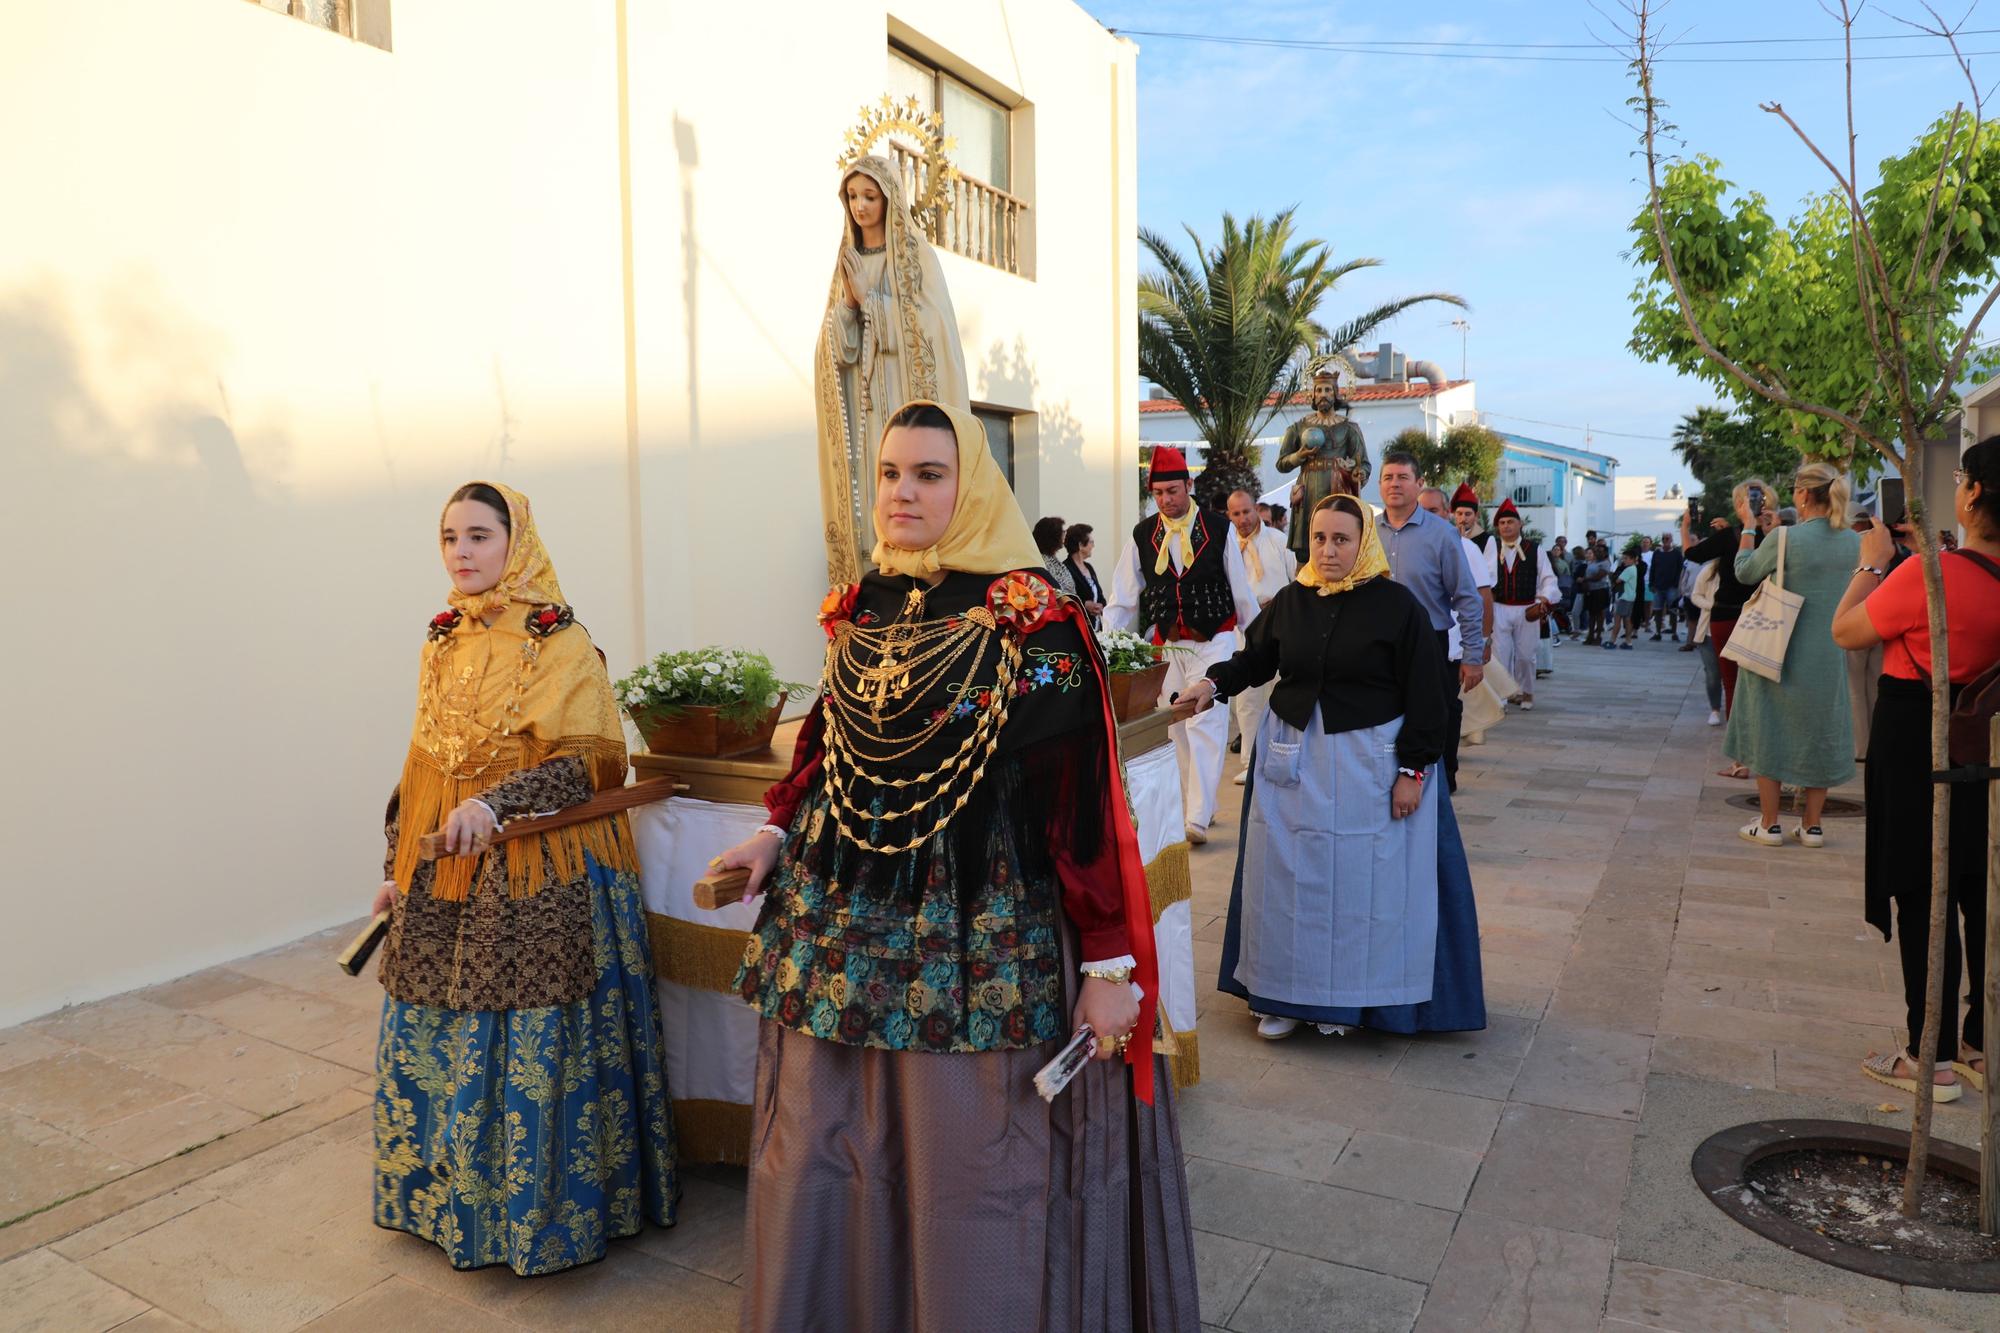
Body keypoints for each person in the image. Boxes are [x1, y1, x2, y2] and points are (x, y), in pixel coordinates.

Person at [715, 401, 1198, 1330]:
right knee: (830, 1132)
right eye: (891, 472)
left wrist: (1106, 962)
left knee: (963, 1151)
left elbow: (1080, 792)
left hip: (977, 927)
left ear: (967, 484)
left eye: (928, 474)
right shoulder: (868, 599)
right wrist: (776, 834)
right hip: (841, 926)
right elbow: (828, 737)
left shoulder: (1036, 619)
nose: (903, 492)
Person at [370, 481, 678, 1275]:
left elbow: (588, 763)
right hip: (450, 868)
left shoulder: (559, 641)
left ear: (517, 541)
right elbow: (421, 768)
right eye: (449, 538)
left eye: (478, 536)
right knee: (435, 1020)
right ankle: (444, 1202)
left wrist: (497, 802)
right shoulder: (441, 638)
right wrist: (396, 869)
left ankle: (541, 1219)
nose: (462, 553)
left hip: (541, 870)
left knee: (533, 1029)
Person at [1179, 495, 1484, 1040]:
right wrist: (1213, 683)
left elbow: (1428, 695)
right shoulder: (1293, 600)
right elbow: (1255, 658)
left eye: (1341, 539)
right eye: (1319, 538)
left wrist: (1413, 772)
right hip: (1292, 764)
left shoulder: (1398, 607)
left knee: (1361, 887)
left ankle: (1351, 1004)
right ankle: (1283, 996)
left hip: (1371, 764)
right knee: (1290, 880)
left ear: (1363, 541)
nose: (1328, 550)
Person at [1835, 439, 2000, 1102]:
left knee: (1924, 893)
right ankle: (1979, 1043)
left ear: (1974, 495)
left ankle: (1926, 1054)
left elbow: (1847, 631)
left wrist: (1875, 565)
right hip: (1983, 744)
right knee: (1979, 893)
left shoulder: (1931, 574)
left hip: (1917, 739)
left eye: (1960, 478)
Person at [814, 156, 969, 582]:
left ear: (889, 200)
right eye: (852, 196)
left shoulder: (917, 257)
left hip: (907, 400)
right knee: (873, 489)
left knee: (908, 474)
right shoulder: (847, 261)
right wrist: (848, 306)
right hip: (865, 411)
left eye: (870, 196)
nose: (860, 206)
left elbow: (934, 330)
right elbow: (836, 353)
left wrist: (872, 303)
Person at [1105, 446, 1261, 845]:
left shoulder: (1219, 528)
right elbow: (1124, 598)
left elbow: (1241, 592)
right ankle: (1194, 807)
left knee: (1205, 723)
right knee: (1176, 729)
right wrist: (1107, 644)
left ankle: (1196, 818)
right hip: (1169, 645)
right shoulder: (1142, 535)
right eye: (1158, 493)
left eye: (1172, 490)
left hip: (1215, 640)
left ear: (1188, 485)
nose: (1165, 500)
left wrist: (1257, 641)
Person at [1724, 462, 1861, 846]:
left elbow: (1745, 572)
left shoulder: (1785, 539)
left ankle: (1769, 823)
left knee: (1769, 728)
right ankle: (1812, 824)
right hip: (1828, 651)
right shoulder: (1854, 541)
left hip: (1778, 648)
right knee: (1820, 730)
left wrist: (1750, 528)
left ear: (1802, 494)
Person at [1377, 454, 1484, 786]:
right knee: (1383, 719)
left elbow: (1467, 597)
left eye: (1403, 477)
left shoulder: (1441, 534)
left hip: (1429, 644)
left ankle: (1437, 787)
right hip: (1377, 644)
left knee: (1429, 721)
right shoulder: (1367, 533)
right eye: (1388, 477)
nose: (1395, 483)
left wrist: (1473, 655)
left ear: (1419, 484)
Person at [1683, 485, 1776, 749]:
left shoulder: (1730, 538)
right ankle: (1763, 744)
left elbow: (1692, 554)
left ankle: (1740, 753)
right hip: (1765, 616)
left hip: (1727, 614)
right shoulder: (1780, 535)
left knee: (1732, 683)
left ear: (1740, 506)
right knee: (1763, 683)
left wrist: (1687, 526)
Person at [1225, 488, 1300, 784]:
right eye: (1236, 514)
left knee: (1281, 693)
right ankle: (1249, 762)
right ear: (1229, 516)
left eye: (1246, 511)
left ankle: (1284, 759)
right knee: (1246, 700)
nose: (1243, 519)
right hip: (1243, 629)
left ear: (1256, 508)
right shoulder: (1228, 547)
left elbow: (1297, 581)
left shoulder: (1279, 541)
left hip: (1279, 625)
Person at [1275, 368, 1370, 566]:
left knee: (1338, 535)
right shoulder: (1298, 427)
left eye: (1328, 390)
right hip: (1307, 491)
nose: (1323, 395)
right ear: (1312, 394)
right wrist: (1299, 456)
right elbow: (1281, 463)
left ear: (1336, 393)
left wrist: (1358, 473)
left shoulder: (1348, 428)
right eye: (1319, 390)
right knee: (1307, 546)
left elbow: (1364, 463)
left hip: (1337, 488)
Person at [1481, 499, 1558, 709]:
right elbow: (1483, 576)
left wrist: (1545, 597)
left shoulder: (1534, 549)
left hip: (1526, 609)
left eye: (1510, 522)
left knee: (1525, 656)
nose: (1506, 526)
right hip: (1499, 608)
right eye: (1502, 522)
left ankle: (1527, 693)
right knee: (1500, 655)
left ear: (1519, 524)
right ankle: (1502, 697)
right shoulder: (1492, 547)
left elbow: (1548, 578)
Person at [1062, 521, 1107, 625]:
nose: (1093, 546)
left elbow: (1100, 595)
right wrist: (1085, 605)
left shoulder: (1089, 568)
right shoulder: (1065, 568)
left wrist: (1101, 605)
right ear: (1081, 545)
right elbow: (1065, 598)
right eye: (1091, 542)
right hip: (1078, 626)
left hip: (1096, 626)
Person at [1034, 514, 1079, 598]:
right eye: (1063, 532)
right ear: (1053, 535)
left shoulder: (1053, 560)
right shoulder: (1043, 562)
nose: (1065, 535)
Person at [1649, 535, 1685, 641]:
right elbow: (1653, 568)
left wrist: (1677, 584)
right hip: (1658, 586)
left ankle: (1674, 632)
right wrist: (1651, 583)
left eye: (1667, 539)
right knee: (1658, 610)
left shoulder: (1677, 553)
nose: (1665, 541)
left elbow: (1680, 569)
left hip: (1672, 587)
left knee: (1673, 610)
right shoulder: (1657, 553)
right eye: (1663, 539)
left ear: (1671, 540)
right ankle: (1657, 632)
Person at [1581, 543, 1613, 645]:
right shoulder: (1592, 562)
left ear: (1605, 553)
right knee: (1591, 614)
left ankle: (1598, 636)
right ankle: (1590, 635)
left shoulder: (1606, 563)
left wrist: (1585, 579)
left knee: (1599, 614)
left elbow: (1599, 576)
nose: (1598, 553)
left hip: (1600, 590)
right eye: (1597, 551)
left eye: (1600, 551)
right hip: (1591, 591)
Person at [1608, 551, 1640, 649]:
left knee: (1617, 619)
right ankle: (1628, 641)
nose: (1624, 560)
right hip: (1630, 597)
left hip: (1624, 597)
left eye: (1626, 558)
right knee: (1627, 620)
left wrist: (1611, 574)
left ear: (1633, 559)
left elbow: (1617, 580)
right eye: (1623, 558)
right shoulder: (1634, 569)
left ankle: (1612, 641)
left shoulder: (1629, 569)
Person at [1450, 483, 1489, 549]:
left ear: (1476, 515)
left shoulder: (1487, 540)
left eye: (1468, 514)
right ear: (1454, 514)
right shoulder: (1448, 537)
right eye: (1459, 514)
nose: (1463, 518)